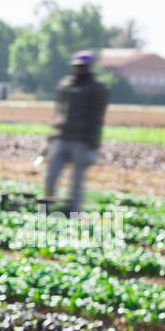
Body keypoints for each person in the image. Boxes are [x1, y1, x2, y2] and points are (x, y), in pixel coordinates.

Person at [42, 50, 110, 215]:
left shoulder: (97, 89)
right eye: (77, 66)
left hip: (81, 141)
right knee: (51, 175)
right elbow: (58, 112)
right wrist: (50, 140)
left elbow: (97, 119)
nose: (79, 69)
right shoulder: (65, 85)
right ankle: (47, 208)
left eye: (83, 66)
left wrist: (93, 146)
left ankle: (73, 212)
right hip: (61, 137)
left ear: (90, 67)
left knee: (76, 182)